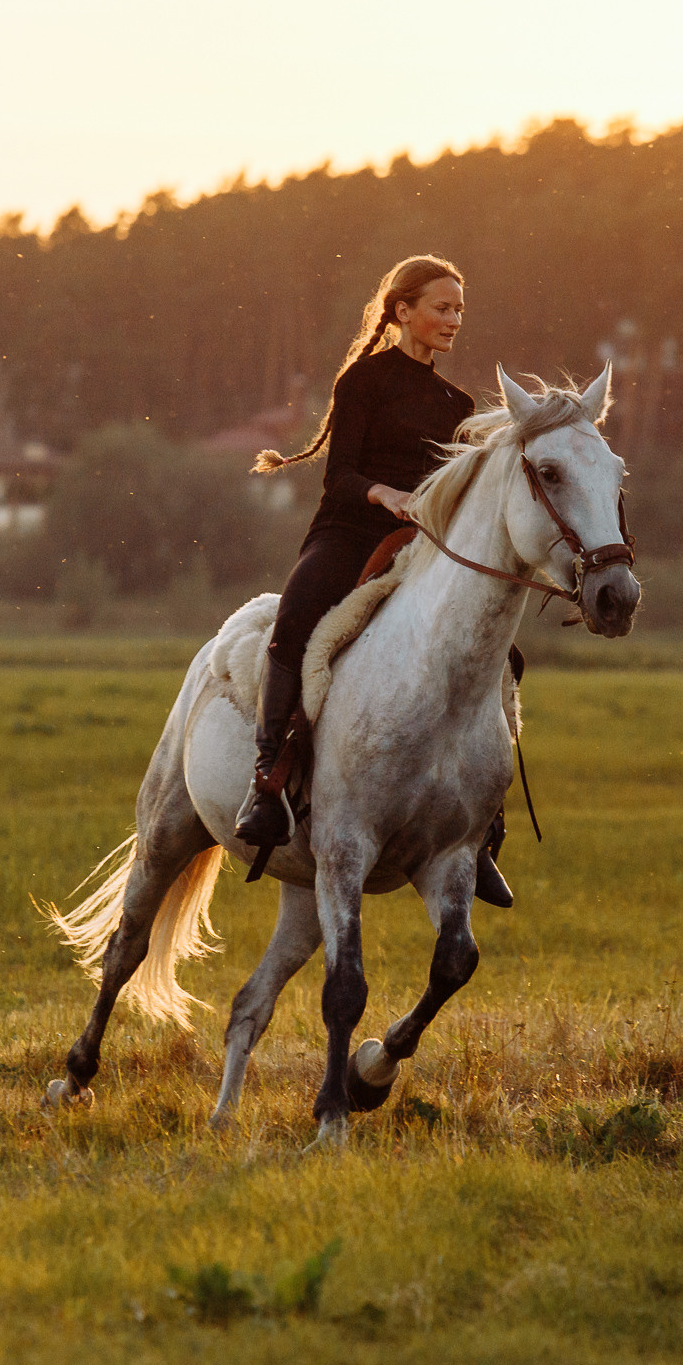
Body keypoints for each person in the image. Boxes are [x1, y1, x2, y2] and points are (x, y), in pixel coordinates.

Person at [236, 253, 514, 907]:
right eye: (442, 309)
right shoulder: (362, 382)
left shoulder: (458, 403)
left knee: (498, 657)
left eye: (459, 311)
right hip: (350, 532)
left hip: (423, 546)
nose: (453, 321)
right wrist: (384, 494)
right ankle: (268, 782)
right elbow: (341, 477)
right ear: (402, 311)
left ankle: (483, 831)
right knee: (295, 617)